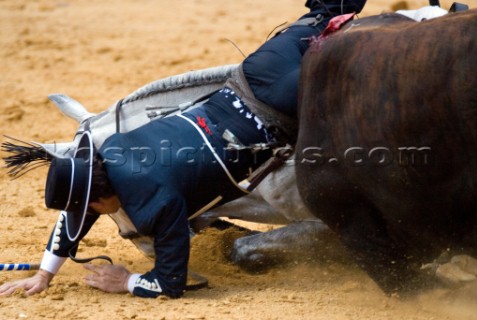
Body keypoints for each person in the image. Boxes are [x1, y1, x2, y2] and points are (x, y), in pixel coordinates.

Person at [0, 0, 367, 299]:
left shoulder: (153, 208)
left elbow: (170, 283)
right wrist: (45, 273)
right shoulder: (111, 149)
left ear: (97, 203)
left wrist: (126, 281)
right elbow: (77, 204)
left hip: (286, 108)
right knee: (332, 8)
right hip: (256, 73)